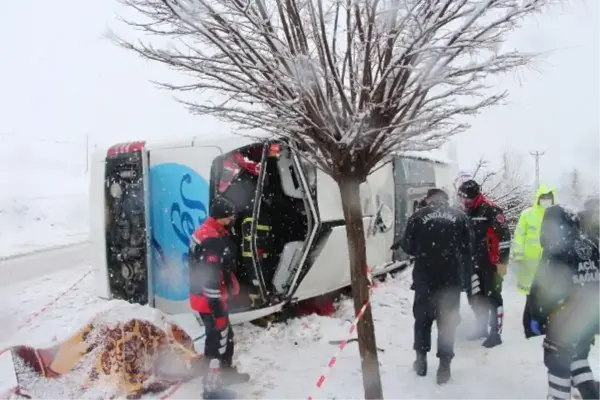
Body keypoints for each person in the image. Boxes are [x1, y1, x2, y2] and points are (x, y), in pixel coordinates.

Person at [524, 205, 600, 400]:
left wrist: (536, 316)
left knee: (557, 365)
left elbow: (544, 290)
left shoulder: (557, 249)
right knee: (578, 358)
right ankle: (591, 395)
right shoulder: (592, 245)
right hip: (588, 319)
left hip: (563, 321)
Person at [398, 188, 473, 385]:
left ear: (428, 200)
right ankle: (444, 366)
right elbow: (468, 247)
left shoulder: (417, 216)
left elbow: (407, 247)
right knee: (447, 322)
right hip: (450, 279)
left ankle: (421, 360)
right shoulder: (460, 217)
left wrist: (425, 248)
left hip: (425, 277)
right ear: (446, 200)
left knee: (422, 319)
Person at [188, 196, 250, 399]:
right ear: (222, 217)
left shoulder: (211, 231)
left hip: (208, 298)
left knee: (226, 336)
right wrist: (217, 307)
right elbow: (210, 278)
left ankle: (226, 374)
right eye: (230, 216)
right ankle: (211, 389)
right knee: (216, 343)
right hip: (209, 301)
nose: (233, 218)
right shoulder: (211, 240)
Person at [457, 179, 511, 348]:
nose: (464, 202)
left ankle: (496, 332)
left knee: (493, 297)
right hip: (472, 263)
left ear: (475, 197)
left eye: (467, 199)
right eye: (462, 198)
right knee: (475, 296)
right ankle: (481, 327)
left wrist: (502, 262)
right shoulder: (465, 211)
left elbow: (504, 237)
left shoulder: (491, 210)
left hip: (491, 263)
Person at [512, 185, 556, 338]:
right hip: (529, 264)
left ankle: (543, 326)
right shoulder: (527, 214)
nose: (546, 200)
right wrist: (518, 254)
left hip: (549, 263)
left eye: (548, 197)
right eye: (543, 197)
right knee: (531, 297)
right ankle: (530, 329)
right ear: (538, 198)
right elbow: (519, 235)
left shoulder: (555, 215)